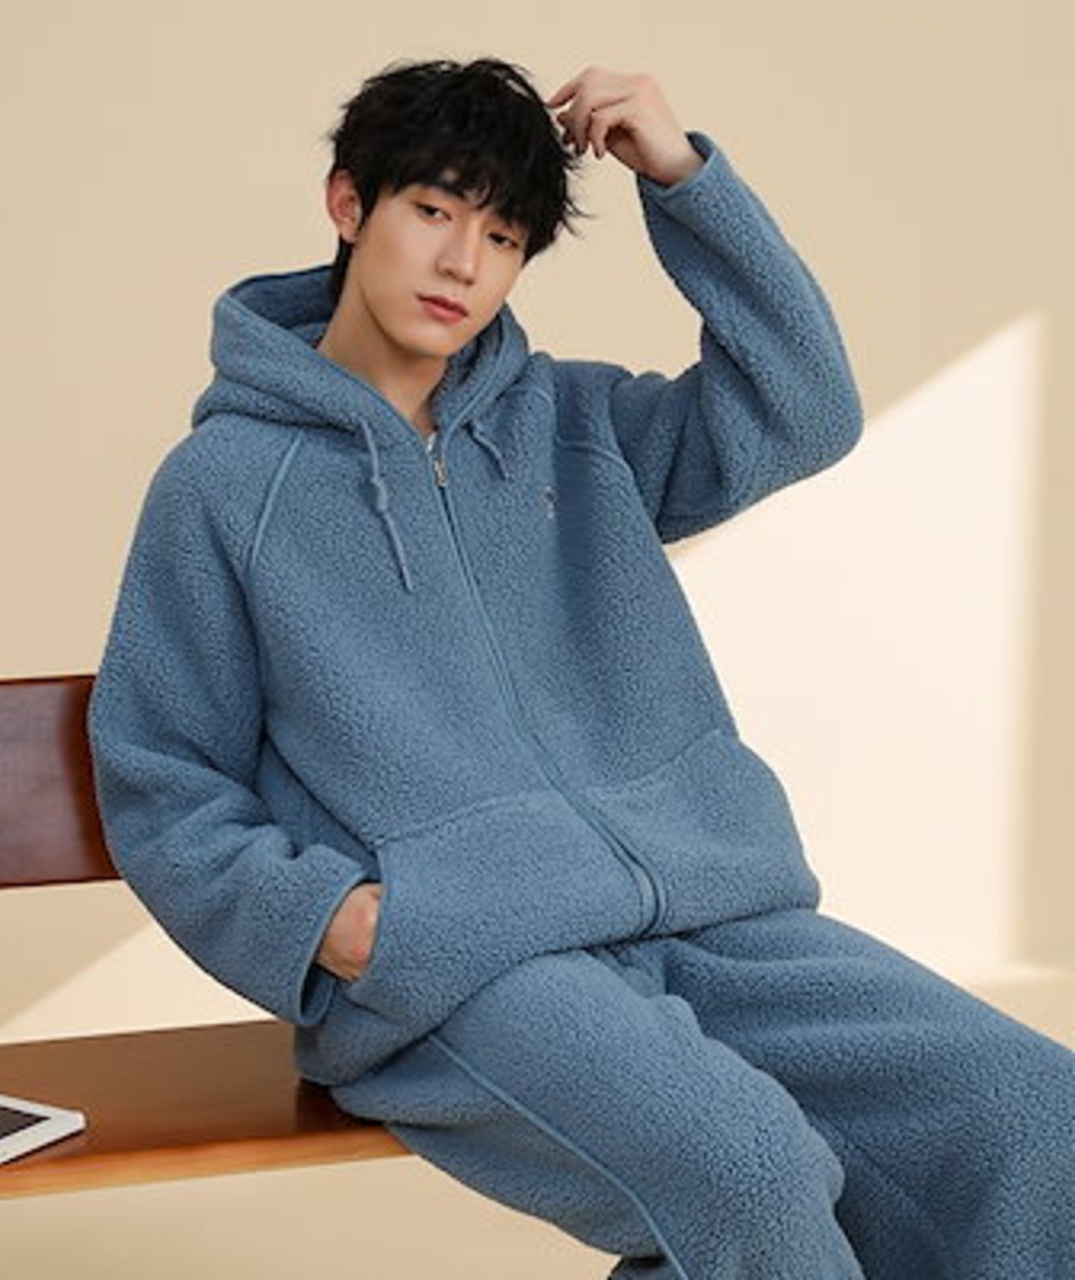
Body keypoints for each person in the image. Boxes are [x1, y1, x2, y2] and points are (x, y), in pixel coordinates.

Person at [88, 59, 1074, 1279]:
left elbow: (803, 407)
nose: (461, 262)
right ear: (348, 203)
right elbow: (162, 776)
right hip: (465, 964)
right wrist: (335, 924)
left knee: (1036, 1116)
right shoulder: (225, 486)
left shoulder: (575, 428)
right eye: (431, 210)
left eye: (502, 236)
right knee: (748, 1176)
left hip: (708, 910)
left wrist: (681, 176)